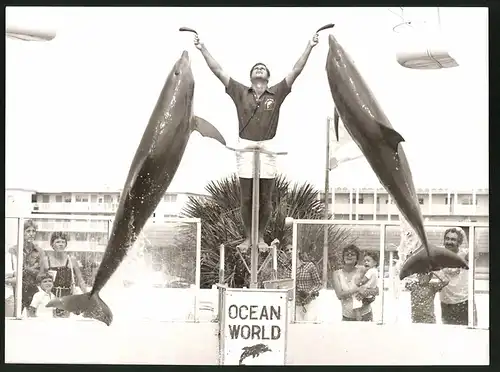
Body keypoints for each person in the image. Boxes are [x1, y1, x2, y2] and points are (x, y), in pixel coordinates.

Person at [194, 33, 319, 251]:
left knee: (265, 197)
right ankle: (248, 237)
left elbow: (296, 70)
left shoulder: (277, 92)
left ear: (268, 76)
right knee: (246, 197)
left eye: (263, 68)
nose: (259, 69)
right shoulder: (240, 91)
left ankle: (260, 238)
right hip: (244, 145)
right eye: (256, 68)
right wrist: (202, 47)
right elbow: (218, 70)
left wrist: (310, 45)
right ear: (251, 76)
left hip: (268, 146)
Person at [6, 219, 47, 314]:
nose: (31, 234)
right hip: (17, 289)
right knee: (15, 316)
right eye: (28, 231)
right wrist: (31, 269)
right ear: (22, 233)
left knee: (33, 319)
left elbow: (41, 273)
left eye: (33, 231)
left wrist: (25, 270)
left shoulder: (39, 251)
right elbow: (14, 272)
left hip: (32, 289)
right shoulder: (14, 250)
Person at [439, 228, 477, 326]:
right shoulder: (439, 254)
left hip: (463, 302)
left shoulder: (464, 254)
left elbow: (475, 252)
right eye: (447, 238)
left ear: (459, 242)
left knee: (468, 335)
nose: (449, 242)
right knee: (448, 336)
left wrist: (468, 232)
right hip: (445, 303)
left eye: (453, 239)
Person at [332, 245, 380, 322]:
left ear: (357, 258)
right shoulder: (337, 274)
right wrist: (357, 289)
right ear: (343, 257)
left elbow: (377, 290)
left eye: (353, 254)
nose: (349, 256)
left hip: (365, 315)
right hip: (347, 317)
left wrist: (366, 293)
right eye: (347, 254)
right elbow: (339, 295)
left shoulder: (363, 270)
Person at [46, 231, 87, 318]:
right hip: (52, 296)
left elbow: (80, 281)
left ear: (66, 244)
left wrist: (88, 296)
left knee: (65, 323)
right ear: (52, 244)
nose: (60, 244)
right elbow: (40, 279)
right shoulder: (46, 260)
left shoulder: (71, 260)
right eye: (57, 242)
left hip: (67, 296)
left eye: (63, 242)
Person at [353, 251, 379, 320]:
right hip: (370, 293)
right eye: (364, 261)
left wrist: (358, 283)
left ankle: (358, 316)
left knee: (356, 300)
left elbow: (364, 280)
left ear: (375, 263)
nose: (366, 263)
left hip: (365, 291)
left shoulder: (370, 271)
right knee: (363, 303)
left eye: (368, 261)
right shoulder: (375, 271)